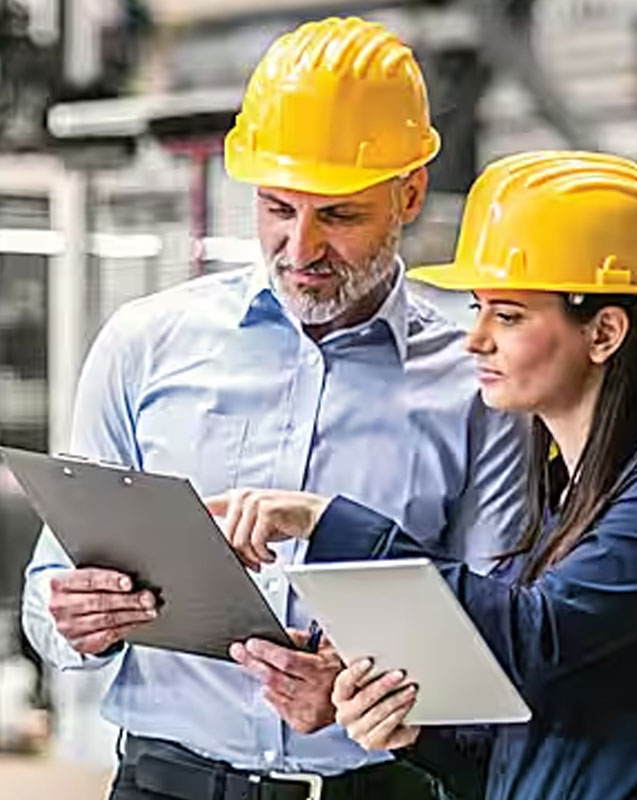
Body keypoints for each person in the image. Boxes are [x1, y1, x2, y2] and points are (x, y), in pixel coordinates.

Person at [21, 16, 527, 800]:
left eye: (340, 216)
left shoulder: (478, 380)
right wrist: (76, 624)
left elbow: (498, 630)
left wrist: (366, 685)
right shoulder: (146, 344)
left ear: (411, 194)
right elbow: (48, 594)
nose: (300, 249)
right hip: (167, 782)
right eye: (277, 209)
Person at [210, 151, 637, 800]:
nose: (476, 340)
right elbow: (519, 748)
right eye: (479, 309)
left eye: (511, 316)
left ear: (604, 331)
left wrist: (329, 522)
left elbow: (535, 633)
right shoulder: (565, 498)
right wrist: (412, 728)